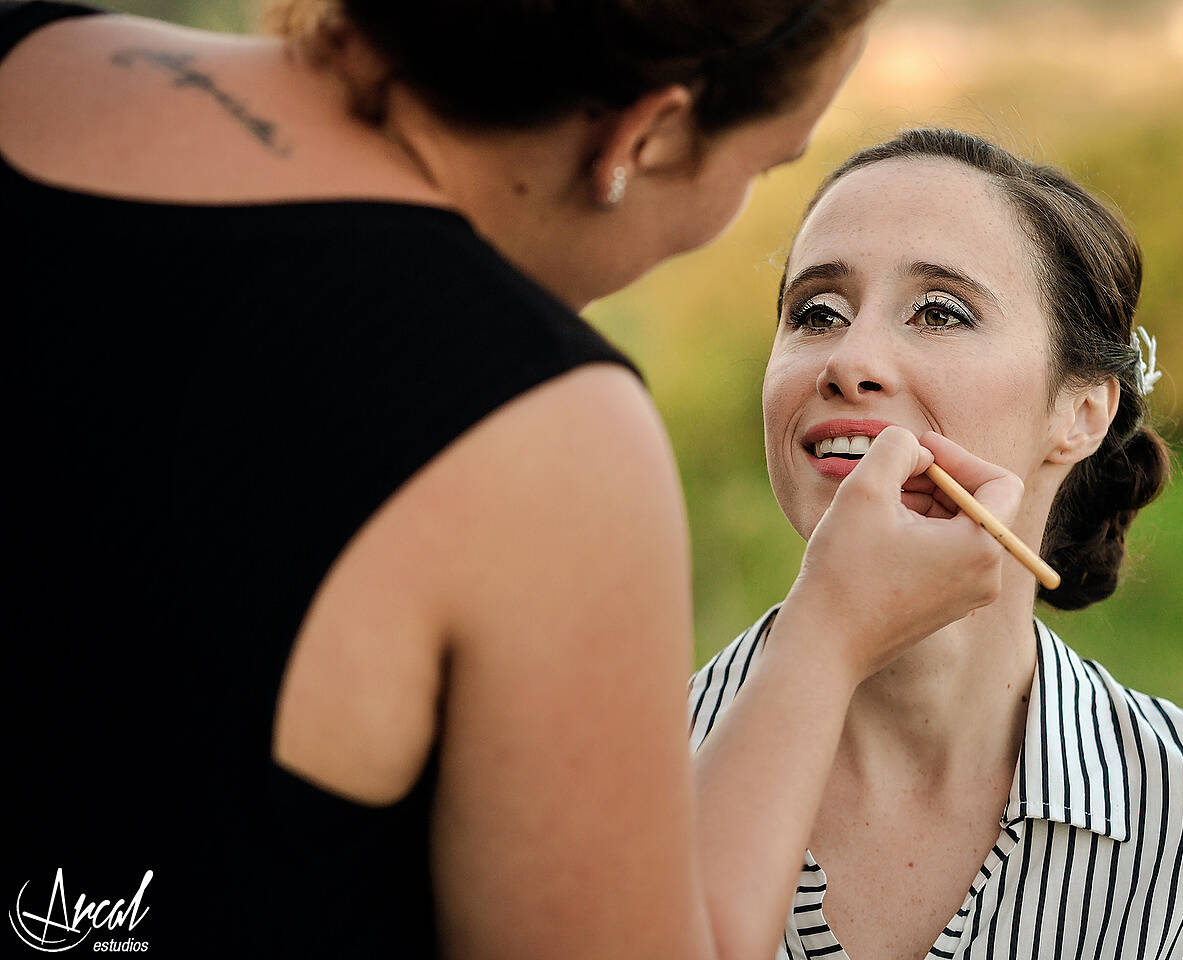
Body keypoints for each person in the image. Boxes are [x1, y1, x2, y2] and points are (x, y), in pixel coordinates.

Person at [0, 4, 1020, 957]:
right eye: (765, 163)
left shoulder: (33, 56)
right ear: (645, 137)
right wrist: (830, 631)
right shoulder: (530, 424)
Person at [688, 128, 1183, 960]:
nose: (851, 361)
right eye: (816, 313)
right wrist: (825, 630)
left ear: (1081, 413)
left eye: (940, 312)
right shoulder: (606, 780)